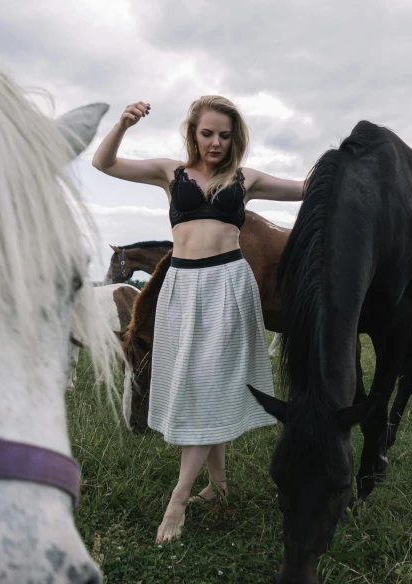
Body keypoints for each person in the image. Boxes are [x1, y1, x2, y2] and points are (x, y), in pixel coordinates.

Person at [93, 95, 305, 542]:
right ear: (193, 133)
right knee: (197, 383)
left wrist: (345, 162)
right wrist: (123, 125)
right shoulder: (170, 173)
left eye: (224, 136)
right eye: (207, 133)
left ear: (235, 139)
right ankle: (219, 485)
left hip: (229, 285)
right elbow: (103, 163)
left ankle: (178, 500)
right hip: (182, 288)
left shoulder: (246, 178)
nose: (215, 143)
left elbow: (307, 188)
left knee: (211, 384)